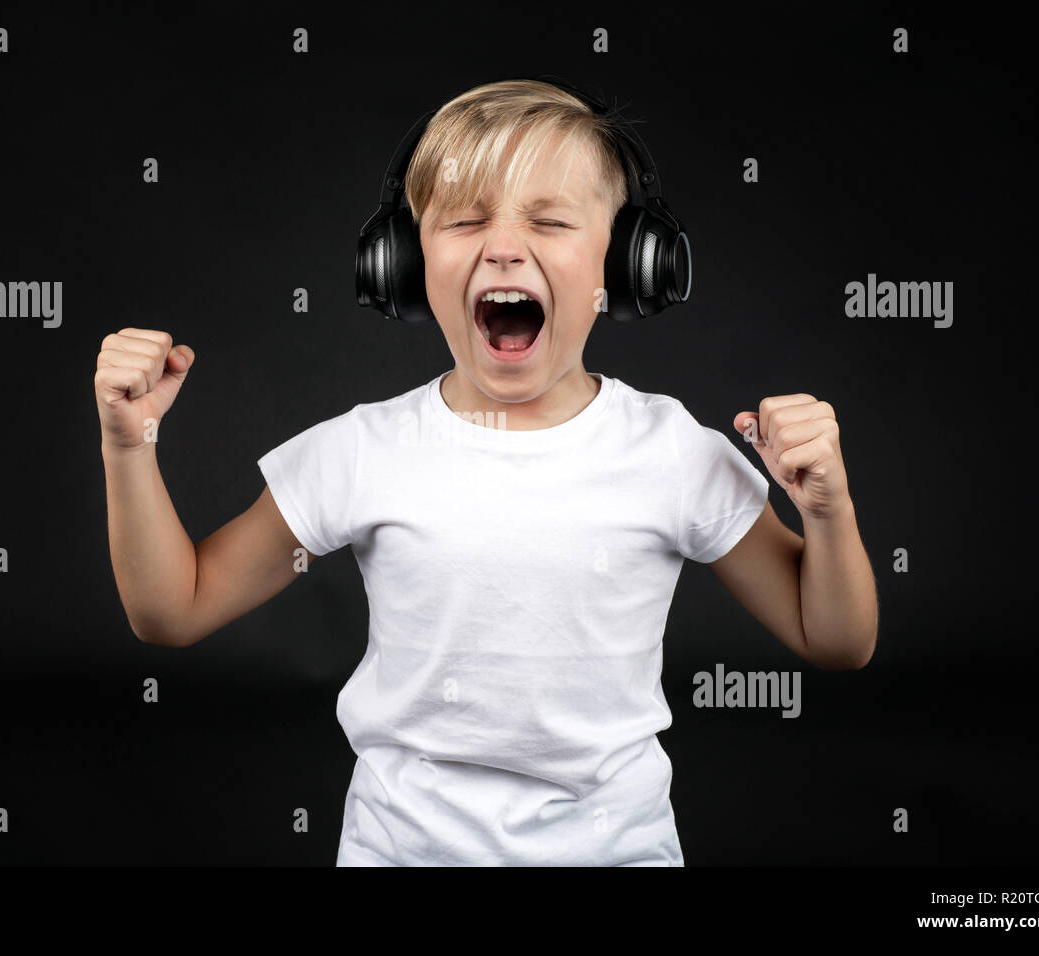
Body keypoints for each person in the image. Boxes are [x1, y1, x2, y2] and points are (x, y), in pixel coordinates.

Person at [93, 79, 878, 866]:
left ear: (628, 262)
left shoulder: (672, 450)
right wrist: (129, 448)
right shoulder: (363, 450)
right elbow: (174, 611)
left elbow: (837, 640)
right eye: (465, 220)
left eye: (551, 220)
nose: (503, 246)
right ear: (404, 263)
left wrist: (829, 511)